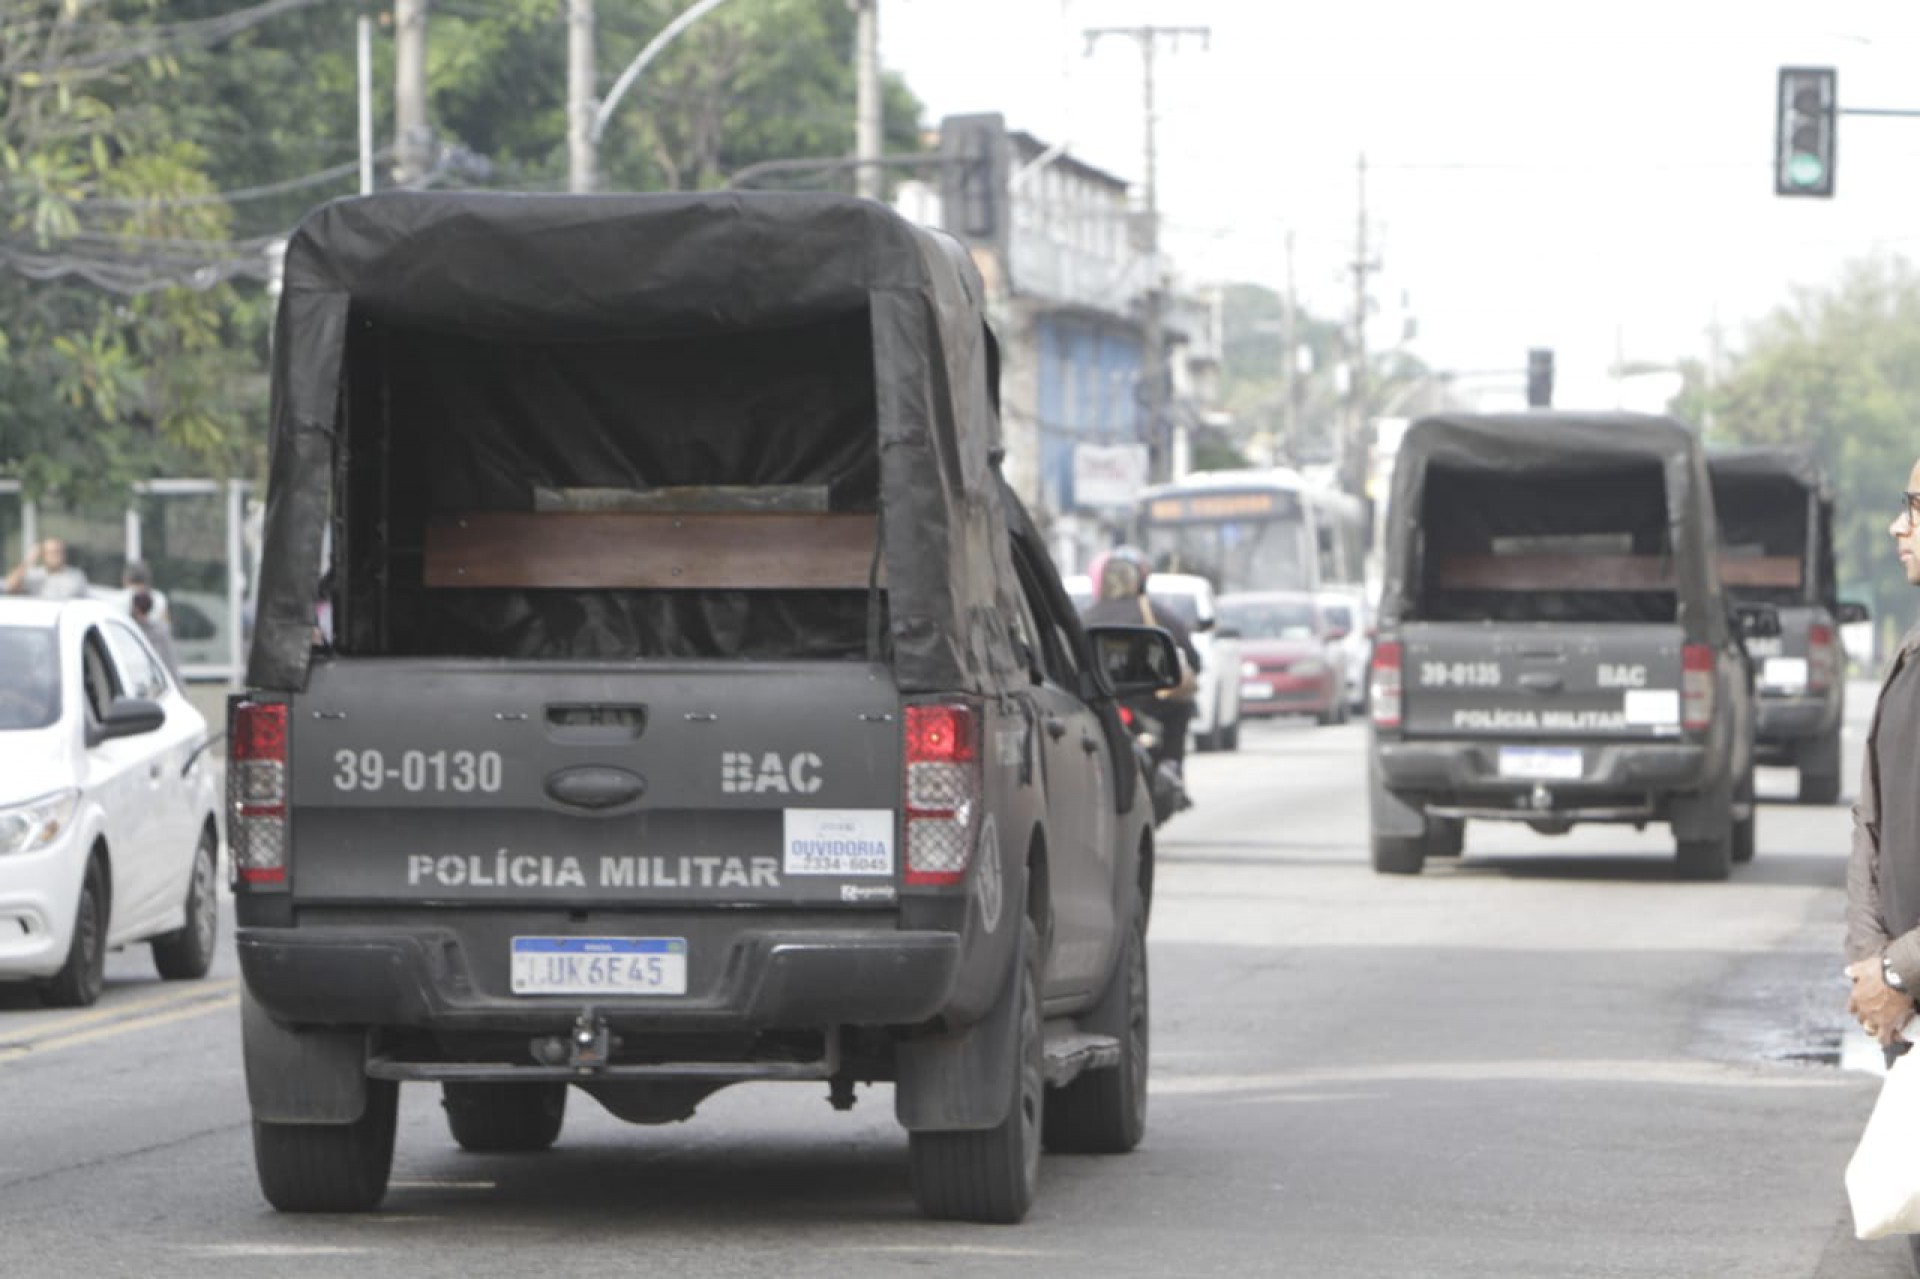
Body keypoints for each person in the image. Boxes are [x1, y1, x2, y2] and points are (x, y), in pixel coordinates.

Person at [1847, 474, 1920, 1271]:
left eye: (1917, 508)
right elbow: (1870, 821)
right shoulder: (1909, 653)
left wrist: (1899, 968)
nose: (1899, 526)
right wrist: (1871, 965)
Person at [1081, 546, 1202, 775]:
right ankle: (1170, 765)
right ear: (1137, 581)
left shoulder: (1085, 618)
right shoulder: (1155, 613)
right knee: (1182, 707)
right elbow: (1192, 657)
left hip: (1101, 701)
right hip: (1151, 702)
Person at [4, 538, 90, 599]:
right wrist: (29, 560)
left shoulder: (76, 575)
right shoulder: (35, 575)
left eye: (59, 551)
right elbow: (9, 586)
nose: (56, 556)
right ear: (43, 555)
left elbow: (84, 601)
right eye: (52, 552)